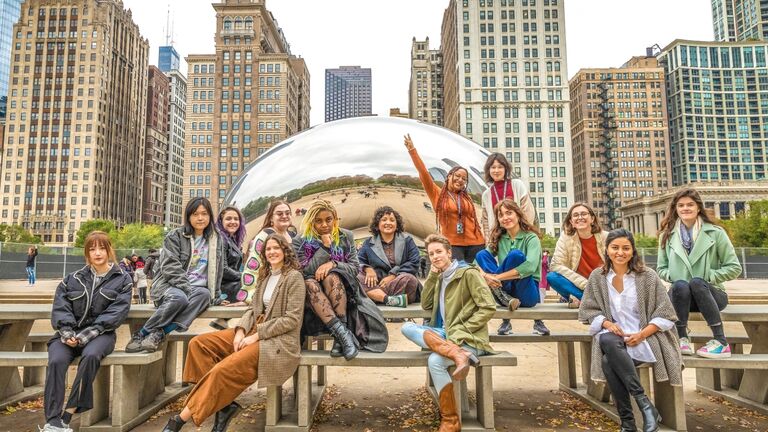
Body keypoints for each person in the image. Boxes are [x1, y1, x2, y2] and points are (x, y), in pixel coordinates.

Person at [160, 234, 305, 432]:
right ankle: (225, 406)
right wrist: (240, 331)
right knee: (198, 344)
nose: (272, 252)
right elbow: (252, 310)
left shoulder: (294, 277)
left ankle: (178, 420)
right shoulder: (265, 276)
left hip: (276, 340)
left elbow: (292, 319)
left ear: (285, 250)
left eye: (276, 248)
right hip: (253, 329)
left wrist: (255, 336)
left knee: (223, 370)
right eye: (268, 249)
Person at [579, 229, 681, 432]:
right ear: (607, 250)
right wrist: (607, 323)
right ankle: (645, 406)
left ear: (633, 251)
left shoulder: (647, 277)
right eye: (615, 247)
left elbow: (666, 313)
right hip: (614, 338)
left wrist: (641, 334)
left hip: (645, 338)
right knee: (607, 340)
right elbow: (587, 310)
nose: (620, 252)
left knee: (608, 360)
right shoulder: (597, 277)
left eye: (626, 248)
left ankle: (628, 423)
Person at [401, 234, 495, 432]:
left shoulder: (468, 273)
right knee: (407, 327)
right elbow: (426, 304)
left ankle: (450, 421)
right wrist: (433, 275)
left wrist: (462, 330)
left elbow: (488, 307)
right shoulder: (440, 276)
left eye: (439, 252)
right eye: (431, 254)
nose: (435, 257)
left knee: (435, 362)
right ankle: (456, 353)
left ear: (449, 253)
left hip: (469, 338)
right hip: (445, 335)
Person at [41, 231, 133, 432]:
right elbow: (61, 307)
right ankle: (53, 421)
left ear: (110, 250)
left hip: (101, 334)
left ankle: (68, 414)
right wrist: (66, 333)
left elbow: (116, 313)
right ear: (87, 253)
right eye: (92, 249)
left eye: (102, 248)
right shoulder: (72, 279)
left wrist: (84, 337)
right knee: (56, 360)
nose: (98, 253)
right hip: (68, 334)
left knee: (91, 356)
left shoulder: (123, 280)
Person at [125, 197, 228, 353]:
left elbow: (219, 269)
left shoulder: (216, 239)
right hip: (169, 286)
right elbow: (169, 267)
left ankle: (159, 333)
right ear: (188, 217)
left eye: (204, 214)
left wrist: (217, 295)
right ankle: (141, 334)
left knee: (205, 295)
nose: (200, 218)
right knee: (179, 297)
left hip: (196, 291)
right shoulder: (175, 236)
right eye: (195, 214)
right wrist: (186, 288)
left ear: (210, 216)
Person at [293, 199, 388, 360]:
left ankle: (340, 339)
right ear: (311, 222)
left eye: (328, 220)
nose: (324, 225)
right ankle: (343, 335)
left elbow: (354, 268)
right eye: (318, 221)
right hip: (313, 296)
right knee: (309, 283)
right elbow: (305, 271)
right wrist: (325, 248)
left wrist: (333, 263)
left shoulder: (346, 236)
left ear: (335, 219)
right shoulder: (300, 241)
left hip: (344, 290)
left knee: (332, 276)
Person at [656, 188, 742, 359]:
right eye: (681, 205)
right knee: (680, 285)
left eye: (690, 204)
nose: (685, 208)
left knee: (696, 282)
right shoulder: (666, 236)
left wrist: (708, 277)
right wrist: (673, 275)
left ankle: (721, 341)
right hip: (682, 297)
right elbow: (661, 269)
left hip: (710, 293)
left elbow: (734, 267)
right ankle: (682, 338)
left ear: (698, 208)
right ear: (675, 209)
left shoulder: (716, 233)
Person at [403, 133, 485, 262]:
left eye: (464, 179)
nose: (460, 180)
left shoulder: (466, 197)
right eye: (457, 176)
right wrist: (412, 151)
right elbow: (423, 173)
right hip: (453, 245)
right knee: (458, 276)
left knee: (476, 278)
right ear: (449, 176)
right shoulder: (438, 194)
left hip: (477, 244)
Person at [475, 199, 550, 336]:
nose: (505, 218)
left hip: (528, 292)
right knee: (482, 255)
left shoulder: (531, 238)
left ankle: (497, 291)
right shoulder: (499, 238)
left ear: (518, 214)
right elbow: (475, 263)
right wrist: (486, 276)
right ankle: (502, 295)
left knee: (515, 256)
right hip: (507, 290)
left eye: (509, 213)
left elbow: (530, 267)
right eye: (501, 215)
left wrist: (496, 278)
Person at [357, 206, 421, 308]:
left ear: (397, 224)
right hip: (377, 283)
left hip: (399, 283)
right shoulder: (368, 243)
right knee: (357, 277)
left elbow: (414, 262)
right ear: (377, 224)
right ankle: (389, 300)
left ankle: (377, 297)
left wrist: (393, 275)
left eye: (392, 220)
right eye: (384, 220)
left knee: (410, 280)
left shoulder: (407, 241)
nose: (388, 223)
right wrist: (368, 269)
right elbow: (359, 261)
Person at [547, 203, 608, 309]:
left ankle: (583, 300)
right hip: (579, 286)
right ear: (571, 221)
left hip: (603, 286)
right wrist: (586, 285)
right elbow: (556, 265)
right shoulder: (565, 238)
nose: (580, 217)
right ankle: (592, 302)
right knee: (552, 277)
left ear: (592, 219)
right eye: (575, 215)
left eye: (584, 214)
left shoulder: (606, 237)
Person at [239, 200, 296, 306]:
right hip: (271, 287)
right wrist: (250, 296)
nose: (284, 216)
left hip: (293, 284)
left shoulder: (293, 235)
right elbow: (253, 267)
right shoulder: (264, 236)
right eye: (279, 213)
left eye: (287, 213)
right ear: (271, 218)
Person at [480, 152, 536, 239]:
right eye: (493, 167)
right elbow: (486, 222)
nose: (496, 171)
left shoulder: (517, 185)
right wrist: (489, 242)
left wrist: (523, 234)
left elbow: (528, 211)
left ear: (506, 169)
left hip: (520, 235)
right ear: (488, 170)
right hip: (498, 239)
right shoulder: (486, 195)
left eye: (500, 167)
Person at [209, 206, 246, 330]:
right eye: (228, 218)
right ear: (221, 221)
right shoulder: (221, 239)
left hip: (230, 283)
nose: (233, 222)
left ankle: (222, 320)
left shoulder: (231, 240)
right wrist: (244, 276)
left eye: (236, 219)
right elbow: (222, 269)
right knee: (253, 284)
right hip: (222, 287)